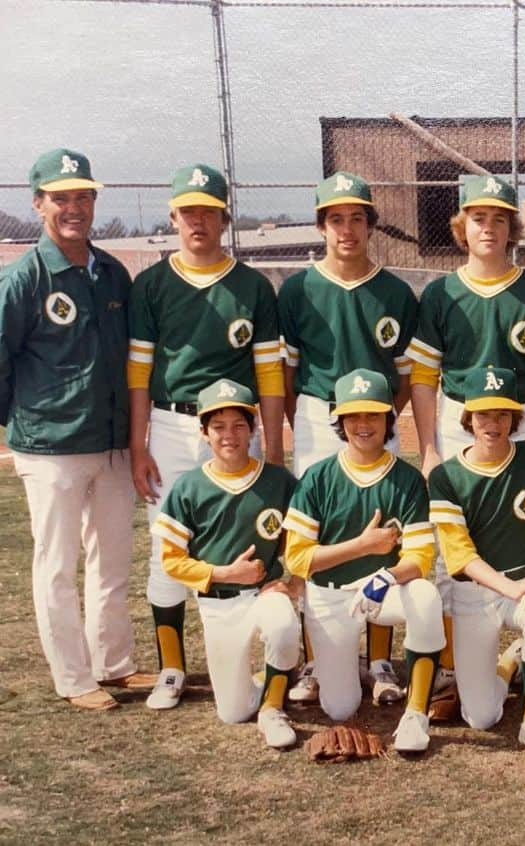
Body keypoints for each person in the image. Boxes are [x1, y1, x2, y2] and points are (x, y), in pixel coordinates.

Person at [0, 148, 154, 710]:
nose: (74, 208)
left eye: (83, 196)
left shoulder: (111, 271)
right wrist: (13, 425)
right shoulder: (24, 278)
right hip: (51, 446)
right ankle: (73, 678)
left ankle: (113, 664)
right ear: (38, 204)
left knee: (112, 558)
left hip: (111, 442)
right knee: (58, 564)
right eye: (61, 197)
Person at [128, 163, 285, 711]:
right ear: (173, 217)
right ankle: (172, 667)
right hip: (172, 424)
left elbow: (268, 371)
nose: (198, 220)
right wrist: (138, 442)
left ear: (225, 217)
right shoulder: (150, 284)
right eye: (188, 210)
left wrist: (276, 445)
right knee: (165, 547)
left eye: (209, 211)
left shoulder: (251, 285)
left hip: (235, 426)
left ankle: (265, 662)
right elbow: (140, 371)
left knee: (254, 542)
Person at [407, 175, 525, 707]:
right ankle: (454, 662)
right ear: (461, 228)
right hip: (457, 417)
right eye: (478, 218)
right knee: (452, 547)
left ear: (513, 228)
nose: (488, 228)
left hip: (522, 416)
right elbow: (423, 377)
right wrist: (428, 448)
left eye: (499, 219)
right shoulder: (442, 292)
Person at [278, 171, 418, 706]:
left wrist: (380, 421)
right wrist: (306, 419)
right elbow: (285, 372)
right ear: (321, 226)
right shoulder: (297, 289)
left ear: (370, 225)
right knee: (321, 534)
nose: (347, 229)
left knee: (384, 529)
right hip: (319, 413)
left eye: (357, 218)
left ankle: (380, 655)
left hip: (376, 417)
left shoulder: (395, 292)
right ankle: (318, 656)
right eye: (335, 219)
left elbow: (406, 374)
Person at [283, 369, 444, 752]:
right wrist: (362, 546)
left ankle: (415, 714)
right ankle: (348, 667)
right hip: (330, 595)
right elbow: (298, 558)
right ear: (339, 419)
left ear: (389, 418)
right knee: (340, 708)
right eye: (354, 416)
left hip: (379, 593)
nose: (363, 424)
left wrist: (386, 576)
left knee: (424, 597)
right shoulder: (318, 477)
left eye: (373, 415)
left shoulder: (406, 479)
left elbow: (421, 556)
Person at [426, 367, 525, 761]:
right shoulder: (445, 476)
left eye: (503, 415)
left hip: (523, 578)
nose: (493, 424)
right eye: (484, 414)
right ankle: (510, 663)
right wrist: (518, 589)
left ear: (515, 418)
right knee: (482, 716)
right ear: (468, 418)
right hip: (473, 593)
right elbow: (460, 556)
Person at [151, 379, 300, 748]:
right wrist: (223, 573)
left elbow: (302, 542)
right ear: (204, 433)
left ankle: (272, 707)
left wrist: (295, 580)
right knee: (232, 713)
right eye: (218, 427)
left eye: (238, 425)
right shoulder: (189, 486)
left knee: (282, 625)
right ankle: (264, 683)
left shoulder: (278, 480)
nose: (228, 435)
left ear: (253, 429)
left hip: (264, 592)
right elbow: (172, 561)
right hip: (219, 601)